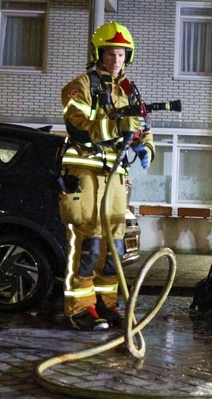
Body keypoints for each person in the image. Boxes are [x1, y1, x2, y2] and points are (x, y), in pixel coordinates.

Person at [59, 21, 154, 331]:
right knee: (89, 241)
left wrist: (146, 148)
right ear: (99, 54)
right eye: (111, 55)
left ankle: (106, 304)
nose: (116, 61)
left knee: (115, 243)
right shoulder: (81, 86)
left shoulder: (130, 90)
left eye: (122, 55)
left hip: (115, 177)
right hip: (86, 171)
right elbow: (79, 123)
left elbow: (143, 128)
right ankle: (80, 309)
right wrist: (118, 127)